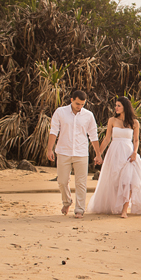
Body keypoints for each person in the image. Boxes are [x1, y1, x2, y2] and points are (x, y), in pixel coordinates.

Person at [87, 96, 141, 218]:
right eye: (116, 105)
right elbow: (107, 138)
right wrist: (98, 154)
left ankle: (124, 210)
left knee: (128, 182)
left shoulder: (134, 122)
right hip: (114, 152)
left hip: (128, 153)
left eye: (119, 105)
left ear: (125, 107)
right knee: (115, 181)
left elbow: (136, 139)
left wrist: (135, 152)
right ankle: (115, 206)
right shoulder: (112, 120)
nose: (116, 108)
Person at [46, 90, 103, 218]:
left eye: (82, 104)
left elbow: (93, 135)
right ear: (72, 100)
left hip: (81, 152)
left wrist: (98, 154)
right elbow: (54, 131)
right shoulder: (60, 112)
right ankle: (67, 201)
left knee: (81, 182)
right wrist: (49, 149)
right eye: (77, 103)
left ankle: (79, 209)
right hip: (63, 151)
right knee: (62, 181)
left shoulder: (88, 115)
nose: (79, 106)